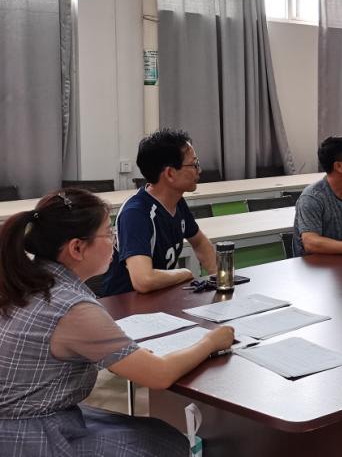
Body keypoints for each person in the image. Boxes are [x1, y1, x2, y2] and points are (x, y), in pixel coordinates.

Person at [0, 189, 234, 456]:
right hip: (28, 436)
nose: (115, 241)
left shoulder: (32, 281)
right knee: (165, 445)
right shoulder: (73, 308)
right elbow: (159, 375)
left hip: (31, 416)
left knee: (159, 435)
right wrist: (211, 341)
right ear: (77, 248)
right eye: (108, 233)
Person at [103, 129, 217, 296]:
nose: (199, 170)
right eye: (194, 164)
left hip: (160, 298)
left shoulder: (177, 201)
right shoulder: (135, 214)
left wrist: (220, 277)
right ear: (170, 173)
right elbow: (143, 280)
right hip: (127, 304)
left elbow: (199, 242)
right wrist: (185, 273)